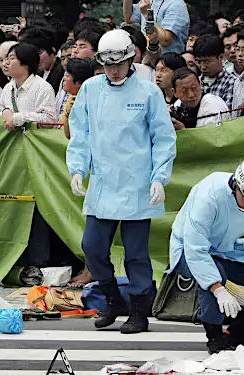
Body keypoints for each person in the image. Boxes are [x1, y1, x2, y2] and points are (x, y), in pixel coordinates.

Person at [66, 29, 176, 334]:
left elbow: (164, 138)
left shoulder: (148, 93)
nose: (114, 70)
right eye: (108, 64)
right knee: (92, 247)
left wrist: (159, 178)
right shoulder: (89, 90)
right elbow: (81, 134)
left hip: (138, 184)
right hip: (103, 183)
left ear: (131, 60)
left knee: (137, 254)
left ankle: (139, 312)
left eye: (120, 63)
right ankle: (114, 300)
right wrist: (77, 169)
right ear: (100, 62)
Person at [168, 155, 244, 354]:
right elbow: (195, 248)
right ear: (236, 185)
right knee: (215, 275)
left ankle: (239, 330)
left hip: (236, 252)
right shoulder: (209, 196)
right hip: (190, 252)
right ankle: (214, 335)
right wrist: (218, 289)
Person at [0, 43, 56, 131]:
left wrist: (17, 118)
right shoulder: (8, 87)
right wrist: (4, 112)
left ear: (26, 63)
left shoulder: (43, 88)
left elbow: (49, 120)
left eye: (12, 58)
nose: (5, 63)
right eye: (6, 58)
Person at [123, 0, 189, 54]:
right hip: (147, 59)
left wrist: (147, 14)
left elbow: (165, 40)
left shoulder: (177, 4)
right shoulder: (150, 1)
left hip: (167, 65)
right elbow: (129, 18)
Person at [193, 34, 236, 110]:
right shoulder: (195, 83)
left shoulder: (231, 82)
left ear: (221, 57)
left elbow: (226, 113)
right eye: (198, 61)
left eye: (207, 61)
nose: (203, 67)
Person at [62, 58, 94, 139]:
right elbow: (68, 135)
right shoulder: (71, 99)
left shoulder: (90, 101)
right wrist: (68, 114)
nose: (64, 79)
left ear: (78, 82)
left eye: (67, 76)